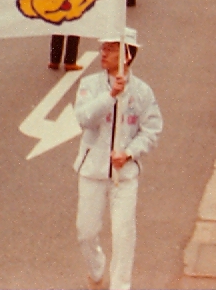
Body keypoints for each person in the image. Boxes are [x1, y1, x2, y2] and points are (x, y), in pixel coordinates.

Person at [74, 28, 162, 290]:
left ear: (126, 55)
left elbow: (153, 129)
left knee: (124, 234)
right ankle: (97, 269)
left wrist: (130, 152)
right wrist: (110, 96)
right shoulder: (89, 85)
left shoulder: (142, 92)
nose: (103, 53)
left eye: (110, 49)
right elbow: (83, 118)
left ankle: (121, 285)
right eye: (103, 48)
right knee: (86, 232)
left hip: (124, 176)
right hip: (92, 170)